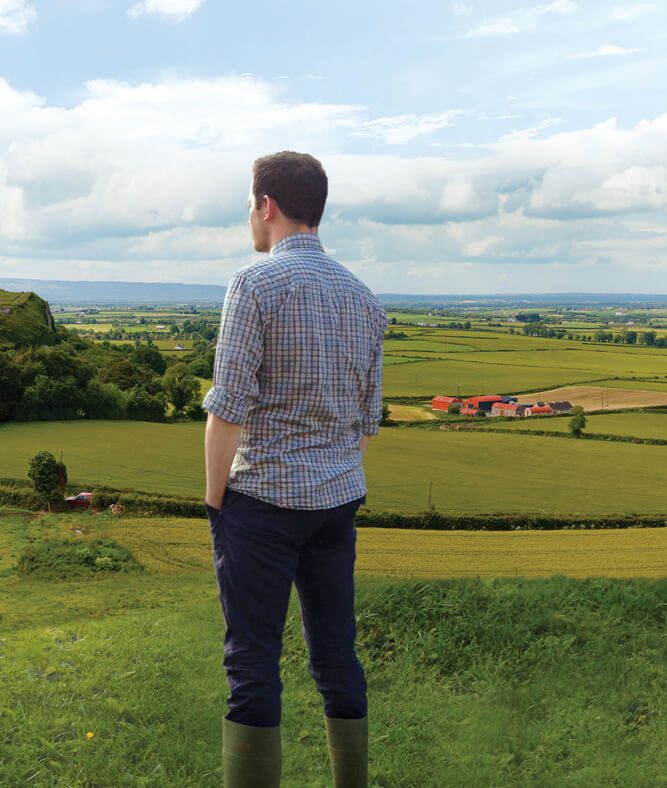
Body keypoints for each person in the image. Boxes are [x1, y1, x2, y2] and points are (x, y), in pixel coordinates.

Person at [201, 152, 386, 787]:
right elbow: (368, 422)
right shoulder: (364, 299)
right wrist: (332, 475)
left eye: (250, 204)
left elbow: (226, 411)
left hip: (261, 504)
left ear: (266, 206)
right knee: (336, 654)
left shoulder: (253, 286)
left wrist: (214, 503)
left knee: (252, 660)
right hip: (337, 504)